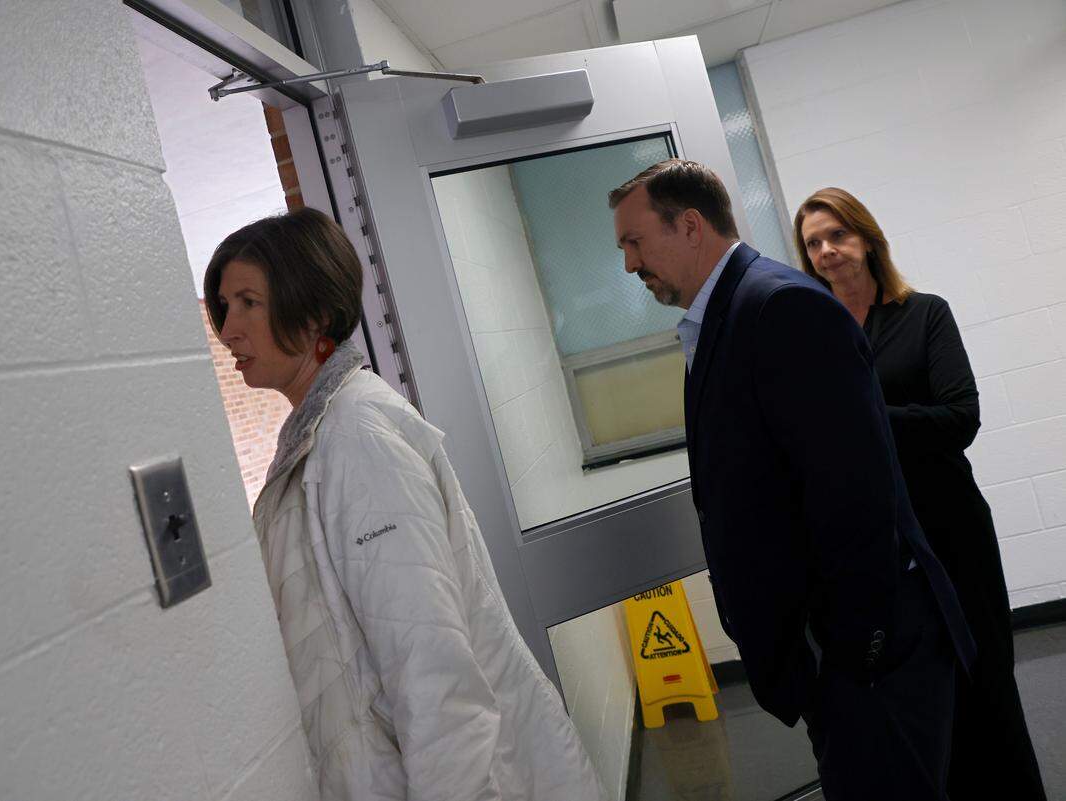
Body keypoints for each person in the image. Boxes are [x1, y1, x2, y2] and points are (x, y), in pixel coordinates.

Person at [204, 208, 604, 801]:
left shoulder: (357, 438)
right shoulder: (322, 435)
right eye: (223, 306)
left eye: (248, 303)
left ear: (312, 311)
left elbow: (430, 666)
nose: (228, 329)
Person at [609, 159, 976, 800]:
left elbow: (856, 492)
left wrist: (854, 653)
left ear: (690, 226)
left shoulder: (779, 308)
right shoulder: (723, 316)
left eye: (635, 242)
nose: (629, 265)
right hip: (836, 654)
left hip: (869, 656)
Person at [794, 187, 1046, 800]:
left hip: (950, 526)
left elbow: (961, 417)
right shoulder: (811, 334)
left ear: (867, 239)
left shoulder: (924, 313)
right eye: (813, 244)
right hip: (876, 544)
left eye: (837, 235)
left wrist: (866, 416)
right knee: (917, 691)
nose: (827, 251)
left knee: (984, 675)